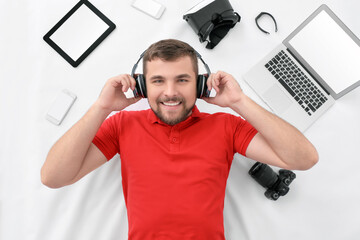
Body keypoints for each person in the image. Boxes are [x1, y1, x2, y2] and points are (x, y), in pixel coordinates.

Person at [41, 39, 318, 239]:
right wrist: (100, 108)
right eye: (158, 81)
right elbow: (53, 177)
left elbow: (304, 159)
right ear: (141, 86)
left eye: (182, 80)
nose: (170, 92)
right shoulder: (122, 125)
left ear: (199, 85)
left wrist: (238, 101)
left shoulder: (226, 126)